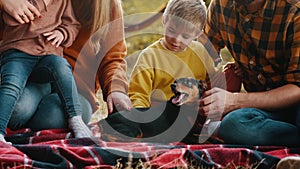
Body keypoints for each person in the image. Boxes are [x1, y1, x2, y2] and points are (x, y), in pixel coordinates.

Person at [101, 0, 240, 143]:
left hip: (193, 110)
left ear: (197, 33)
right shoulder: (150, 56)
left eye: (185, 36)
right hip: (161, 113)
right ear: (164, 20)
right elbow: (138, 94)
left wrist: (231, 72)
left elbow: (212, 81)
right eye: (171, 31)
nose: (176, 40)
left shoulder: (200, 52)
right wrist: (142, 119)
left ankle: (211, 124)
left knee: (231, 75)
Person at [0, 0, 131, 135]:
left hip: (77, 89)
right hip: (37, 79)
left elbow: (113, 57)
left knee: (51, 117)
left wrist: (116, 89)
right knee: (16, 110)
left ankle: (25, 129)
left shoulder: (108, 5)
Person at [203, 0, 300, 148]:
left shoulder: (294, 11)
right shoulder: (220, 6)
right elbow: (201, 59)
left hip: (296, 101)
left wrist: (234, 101)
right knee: (234, 125)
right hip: (262, 108)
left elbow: (298, 88)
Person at [0, 0, 95, 144]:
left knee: (61, 66)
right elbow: (9, 19)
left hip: (48, 55)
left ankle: (76, 119)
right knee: (11, 84)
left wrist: (62, 33)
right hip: (18, 52)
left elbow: (72, 25)